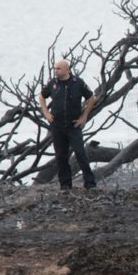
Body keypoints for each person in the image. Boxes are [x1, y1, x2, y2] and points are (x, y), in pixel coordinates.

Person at [39, 59, 97, 190]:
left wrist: (84, 116)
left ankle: (90, 183)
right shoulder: (53, 84)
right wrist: (46, 113)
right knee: (61, 156)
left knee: (80, 153)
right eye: (55, 68)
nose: (55, 71)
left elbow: (92, 98)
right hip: (57, 125)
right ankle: (65, 184)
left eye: (58, 68)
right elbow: (41, 97)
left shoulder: (78, 83)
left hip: (73, 125)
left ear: (66, 69)